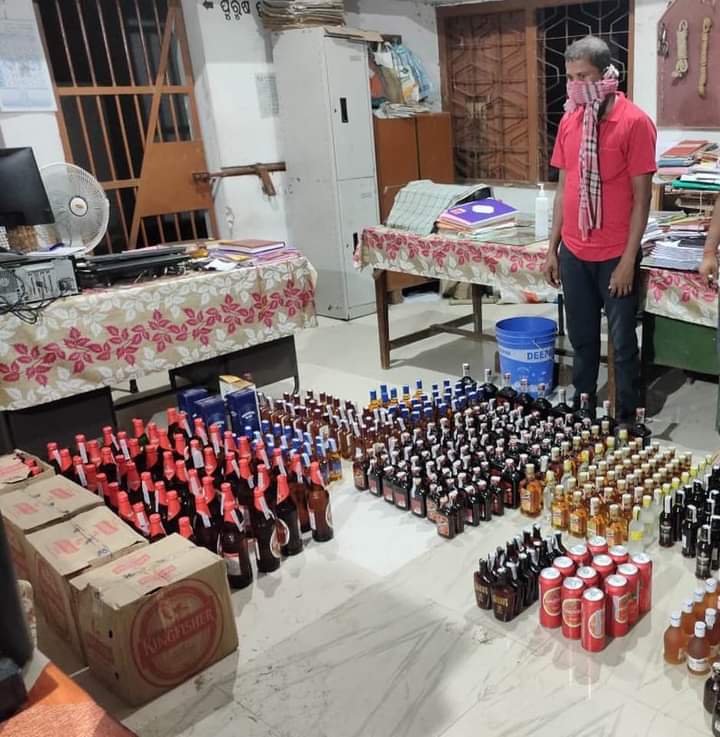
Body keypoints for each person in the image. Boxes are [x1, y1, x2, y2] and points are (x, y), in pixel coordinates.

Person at [543, 36, 657, 425]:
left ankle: (626, 419)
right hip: (575, 252)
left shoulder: (634, 122)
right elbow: (564, 189)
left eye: (584, 76)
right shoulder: (570, 119)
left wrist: (628, 260)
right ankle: (584, 411)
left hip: (614, 256)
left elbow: (642, 198)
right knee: (583, 339)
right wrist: (552, 248)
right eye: (570, 77)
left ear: (606, 73)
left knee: (622, 345)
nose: (576, 85)